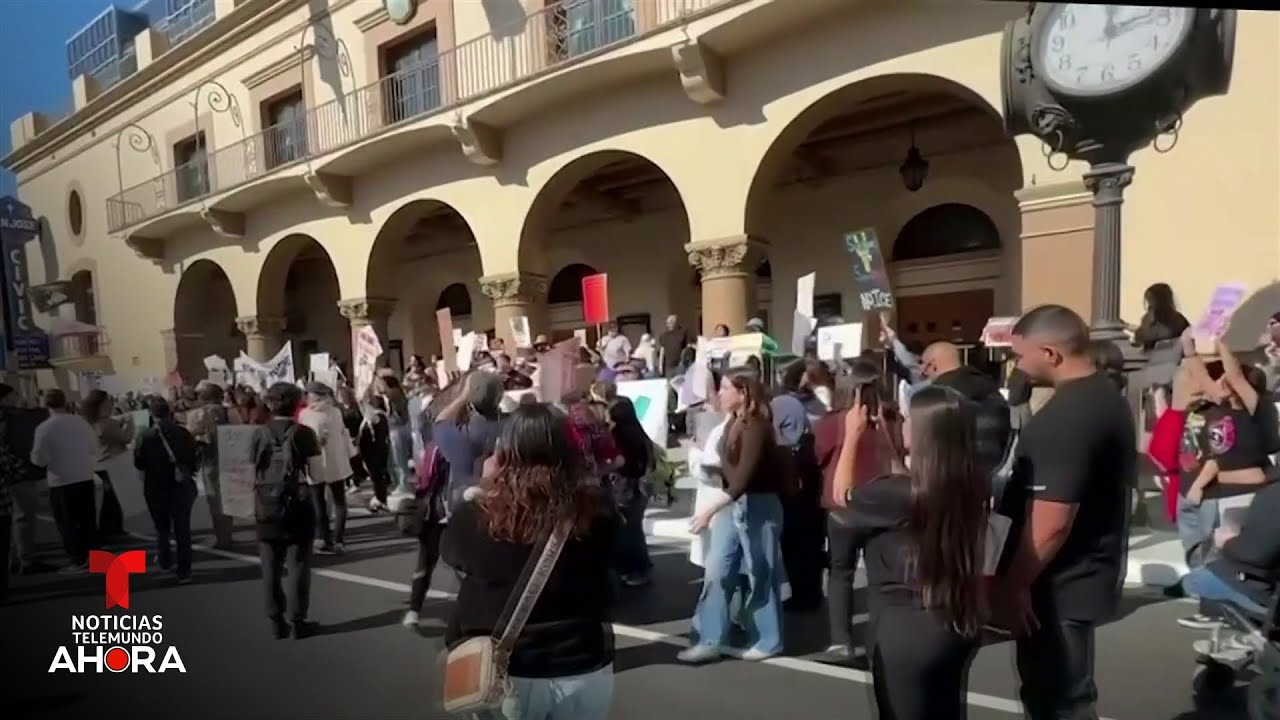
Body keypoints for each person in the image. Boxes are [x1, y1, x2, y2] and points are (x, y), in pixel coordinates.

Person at [997, 304, 1136, 719]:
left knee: (1056, 699)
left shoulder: (1066, 417)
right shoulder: (1104, 396)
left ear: (1051, 354)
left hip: (1058, 585)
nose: (1017, 366)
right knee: (1068, 695)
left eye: (1021, 356)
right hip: (1083, 575)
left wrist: (1017, 582)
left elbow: (1053, 521)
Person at [441, 403, 618, 720]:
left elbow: (453, 556)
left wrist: (484, 486)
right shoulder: (597, 512)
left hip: (507, 670)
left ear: (505, 450)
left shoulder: (476, 515)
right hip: (581, 662)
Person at [833, 384, 989, 720]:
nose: (900, 422)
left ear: (922, 433)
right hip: (955, 620)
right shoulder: (970, 482)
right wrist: (889, 439)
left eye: (906, 419)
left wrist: (852, 435)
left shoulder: (897, 495)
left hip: (904, 631)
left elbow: (842, 495)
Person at [679, 367, 786, 663]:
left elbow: (743, 479)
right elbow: (729, 472)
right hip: (733, 504)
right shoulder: (731, 425)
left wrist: (708, 511)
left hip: (759, 506)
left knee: (760, 573)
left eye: (726, 388)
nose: (720, 393)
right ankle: (710, 639)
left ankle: (769, 639)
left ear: (743, 393)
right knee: (717, 570)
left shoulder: (757, 426)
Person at [817, 365, 899, 661]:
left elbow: (818, 456)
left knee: (840, 574)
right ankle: (879, 640)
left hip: (843, 508)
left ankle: (841, 641)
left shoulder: (833, 423)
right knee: (880, 578)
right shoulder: (891, 419)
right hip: (883, 504)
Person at [250, 382, 323, 639]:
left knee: (269, 566)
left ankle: (275, 620)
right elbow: (317, 475)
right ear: (297, 404)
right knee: (298, 566)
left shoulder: (258, 434)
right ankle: (298, 620)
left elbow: (250, 470)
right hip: (297, 506)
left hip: (265, 507)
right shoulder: (304, 433)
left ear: (270, 404)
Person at [31, 389, 100, 574]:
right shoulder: (81, 422)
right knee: (87, 519)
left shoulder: (44, 428)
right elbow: (94, 447)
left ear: (45, 404)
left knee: (68, 522)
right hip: (84, 475)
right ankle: (93, 556)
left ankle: (78, 560)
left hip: (61, 479)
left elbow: (39, 459)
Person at [133, 397, 200, 583]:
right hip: (180, 486)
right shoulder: (183, 432)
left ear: (151, 414)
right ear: (169, 412)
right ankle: (184, 570)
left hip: (155, 486)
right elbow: (193, 458)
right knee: (182, 529)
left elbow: (139, 462)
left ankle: (165, 561)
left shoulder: (144, 435)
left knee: (162, 527)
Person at [433, 371, 505, 512]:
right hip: (500, 502)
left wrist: (463, 397)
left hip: (462, 505)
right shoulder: (513, 426)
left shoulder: (458, 433)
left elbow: (439, 422)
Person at [299, 382, 354, 555]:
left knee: (318, 501)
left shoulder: (305, 414)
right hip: (336, 461)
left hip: (315, 461)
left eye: (309, 394)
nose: (307, 397)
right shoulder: (335, 412)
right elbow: (342, 433)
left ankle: (323, 537)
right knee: (339, 501)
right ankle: (338, 539)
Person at [607, 396, 654, 587]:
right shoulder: (638, 430)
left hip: (625, 487)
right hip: (639, 486)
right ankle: (639, 566)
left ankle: (635, 568)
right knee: (635, 529)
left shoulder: (619, 433)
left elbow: (621, 462)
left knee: (628, 531)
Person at [186, 383, 235, 548]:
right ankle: (228, 533)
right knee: (229, 497)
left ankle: (221, 537)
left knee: (214, 499)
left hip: (210, 460)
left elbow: (189, 436)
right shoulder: (230, 412)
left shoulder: (197, 414)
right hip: (230, 460)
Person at [80, 390, 131, 544]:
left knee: (107, 500)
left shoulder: (91, 421)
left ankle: (109, 530)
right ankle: (112, 530)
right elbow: (125, 438)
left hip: (100, 463)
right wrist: (131, 422)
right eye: (108, 400)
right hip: (111, 463)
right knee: (112, 501)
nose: (111, 403)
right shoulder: (107, 423)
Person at [1133, 282, 1191, 352]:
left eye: (1151, 300)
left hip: (1170, 356)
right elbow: (1138, 340)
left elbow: (1166, 335)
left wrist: (1148, 326)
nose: (1149, 305)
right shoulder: (1148, 318)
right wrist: (1144, 325)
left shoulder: (1177, 320)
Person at [658, 314, 691, 378]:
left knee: (680, 385)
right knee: (670, 385)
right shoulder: (664, 336)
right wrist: (660, 366)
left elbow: (688, 348)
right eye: (668, 322)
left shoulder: (683, 332)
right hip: (669, 367)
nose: (669, 324)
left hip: (680, 365)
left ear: (676, 322)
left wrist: (685, 362)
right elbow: (662, 351)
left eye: (672, 322)